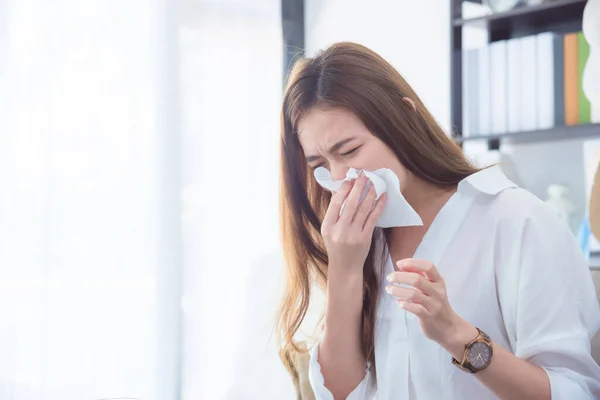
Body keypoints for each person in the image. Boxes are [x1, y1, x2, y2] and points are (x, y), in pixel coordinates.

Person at [275, 42, 600, 400]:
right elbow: (339, 393)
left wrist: (457, 335)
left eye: (349, 151)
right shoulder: (361, 242)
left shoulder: (516, 220)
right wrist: (344, 271)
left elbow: (574, 391)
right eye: (320, 165)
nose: (341, 179)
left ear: (403, 119)